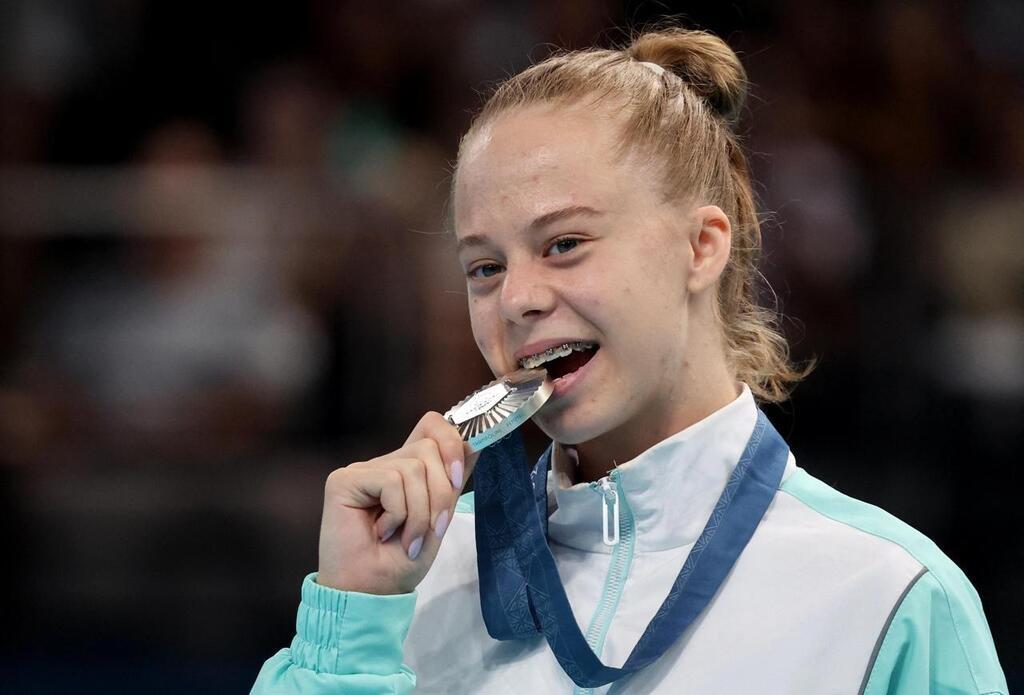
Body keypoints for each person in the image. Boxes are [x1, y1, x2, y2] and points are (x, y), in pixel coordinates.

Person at [252, 27, 1007, 694]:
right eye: (483, 267)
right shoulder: (410, 584)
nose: (515, 298)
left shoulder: (886, 598)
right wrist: (347, 632)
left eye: (564, 244)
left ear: (701, 245)